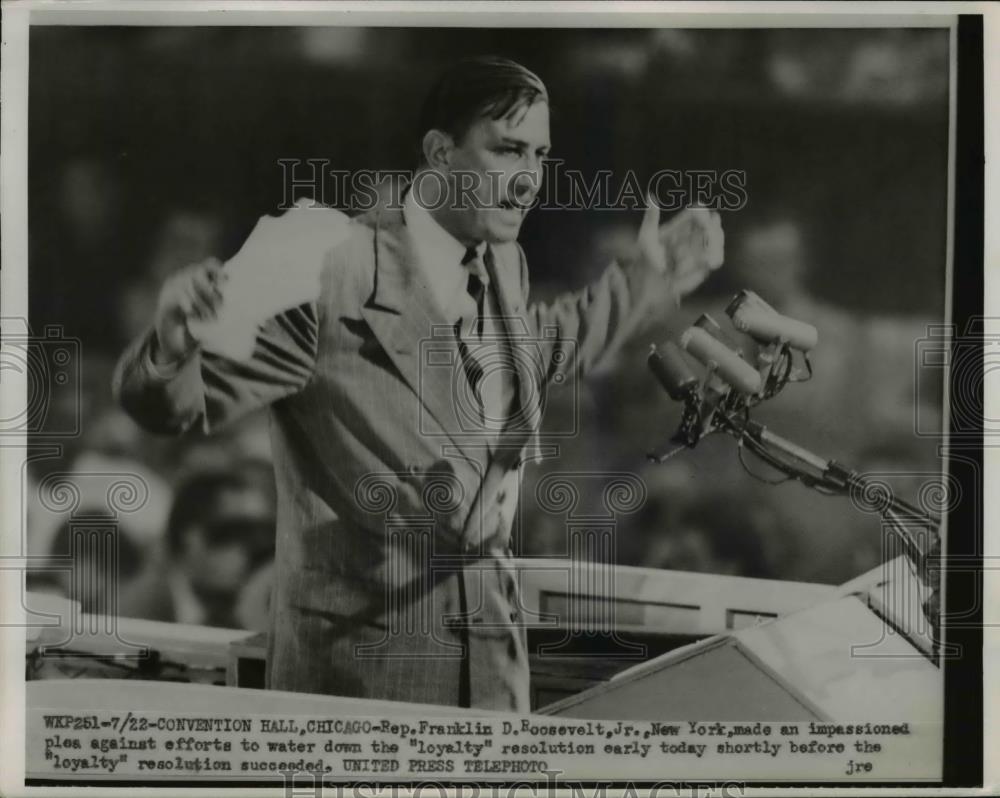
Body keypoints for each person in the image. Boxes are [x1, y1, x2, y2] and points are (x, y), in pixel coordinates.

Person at [113, 56, 724, 711]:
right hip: (359, 691)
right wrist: (173, 344)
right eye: (509, 151)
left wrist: (651, 279)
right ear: (439, 152)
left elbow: (544, 344)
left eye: (541, 157)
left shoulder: (504, 265)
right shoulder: (326, 267)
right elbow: (176, 404)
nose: (529, 181)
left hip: (490, 683)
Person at [122, 460, 277, 628]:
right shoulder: (140, 610)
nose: (250, 548)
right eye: (232, 533)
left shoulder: (254, 606)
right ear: (189, 539)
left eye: (263, 533)